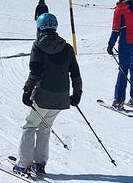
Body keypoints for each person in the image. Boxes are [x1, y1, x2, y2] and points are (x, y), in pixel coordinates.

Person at [14, 13, 82, 177]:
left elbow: (35, 71)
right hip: (62, 95)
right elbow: (75, 73)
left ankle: (23, 165)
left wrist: (27, 91)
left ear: (39, 27)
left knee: (30, 126)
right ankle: (40, 163)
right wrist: (77, 93)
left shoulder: (38, 45)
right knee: (45, 127)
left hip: (43, 94)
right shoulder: (67, 47)